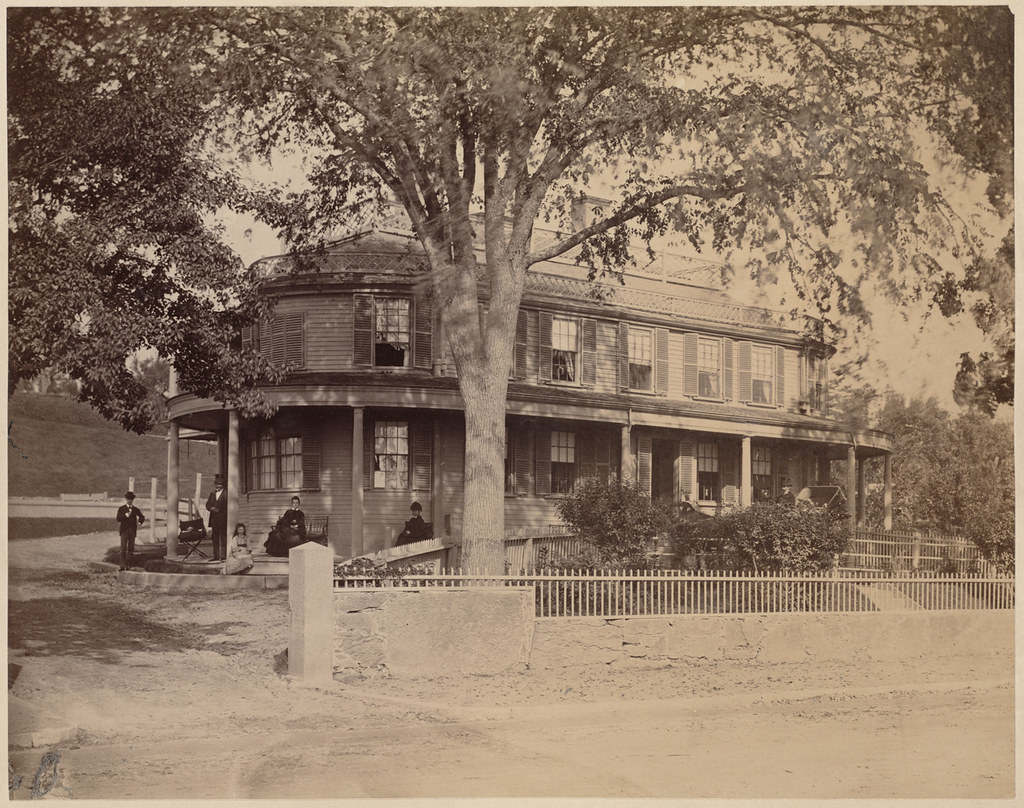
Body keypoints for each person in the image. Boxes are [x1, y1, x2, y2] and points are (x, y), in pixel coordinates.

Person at [115, 491, 146, 571]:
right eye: (128, 499)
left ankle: (129, 565)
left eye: (131, 499)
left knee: (131, 549)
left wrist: (139, 522)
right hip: (124, 531)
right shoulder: (121, 508)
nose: (130, 500)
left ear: (133, 500)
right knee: (123, 548)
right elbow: (118, 519)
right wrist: (125, 515)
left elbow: (142, 517)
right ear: (126, 499)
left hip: (132, 531)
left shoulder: (135, 509)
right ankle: (122, 565)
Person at [205, 476, 228, 561]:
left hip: (223, 518)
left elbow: (228, 506)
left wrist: (219, 510)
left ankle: (224, 556)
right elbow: (207, 504)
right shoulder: (212, 493)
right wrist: (211, 508)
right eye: (217, 484)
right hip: (214, 519)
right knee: (215, 537)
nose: (218, 486)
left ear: (223, 485)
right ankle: (216, 556)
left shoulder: (226, 494)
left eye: (220, 484)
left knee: (223, 537)